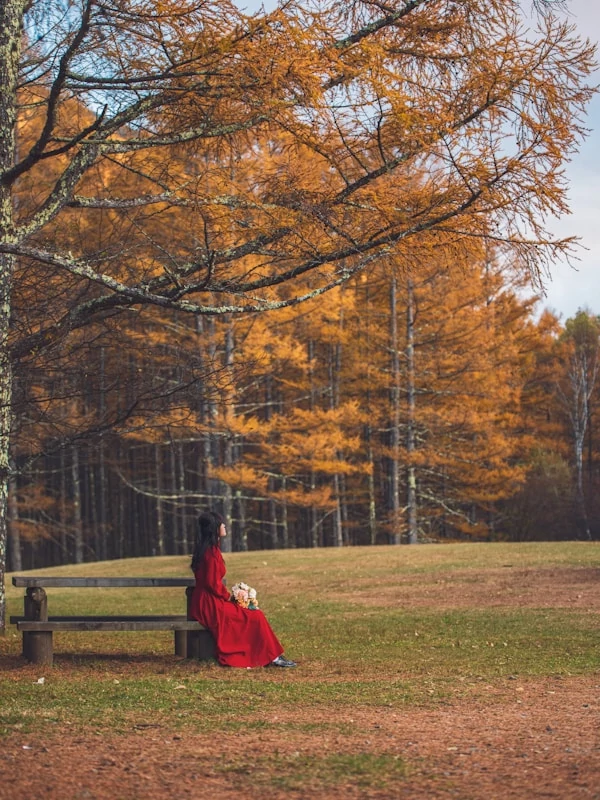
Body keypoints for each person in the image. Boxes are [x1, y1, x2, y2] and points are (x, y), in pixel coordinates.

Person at [189, 510, 296, 668]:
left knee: (252, 614)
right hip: (210, 604)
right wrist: (231, 597)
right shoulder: (210, 553)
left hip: (209, 600)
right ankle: (271, 657)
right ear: (214, 528)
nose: (224, 525)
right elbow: (212, 584)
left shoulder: (210, 550)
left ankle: (271, 655)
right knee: (255, 616)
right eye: (221, 523)